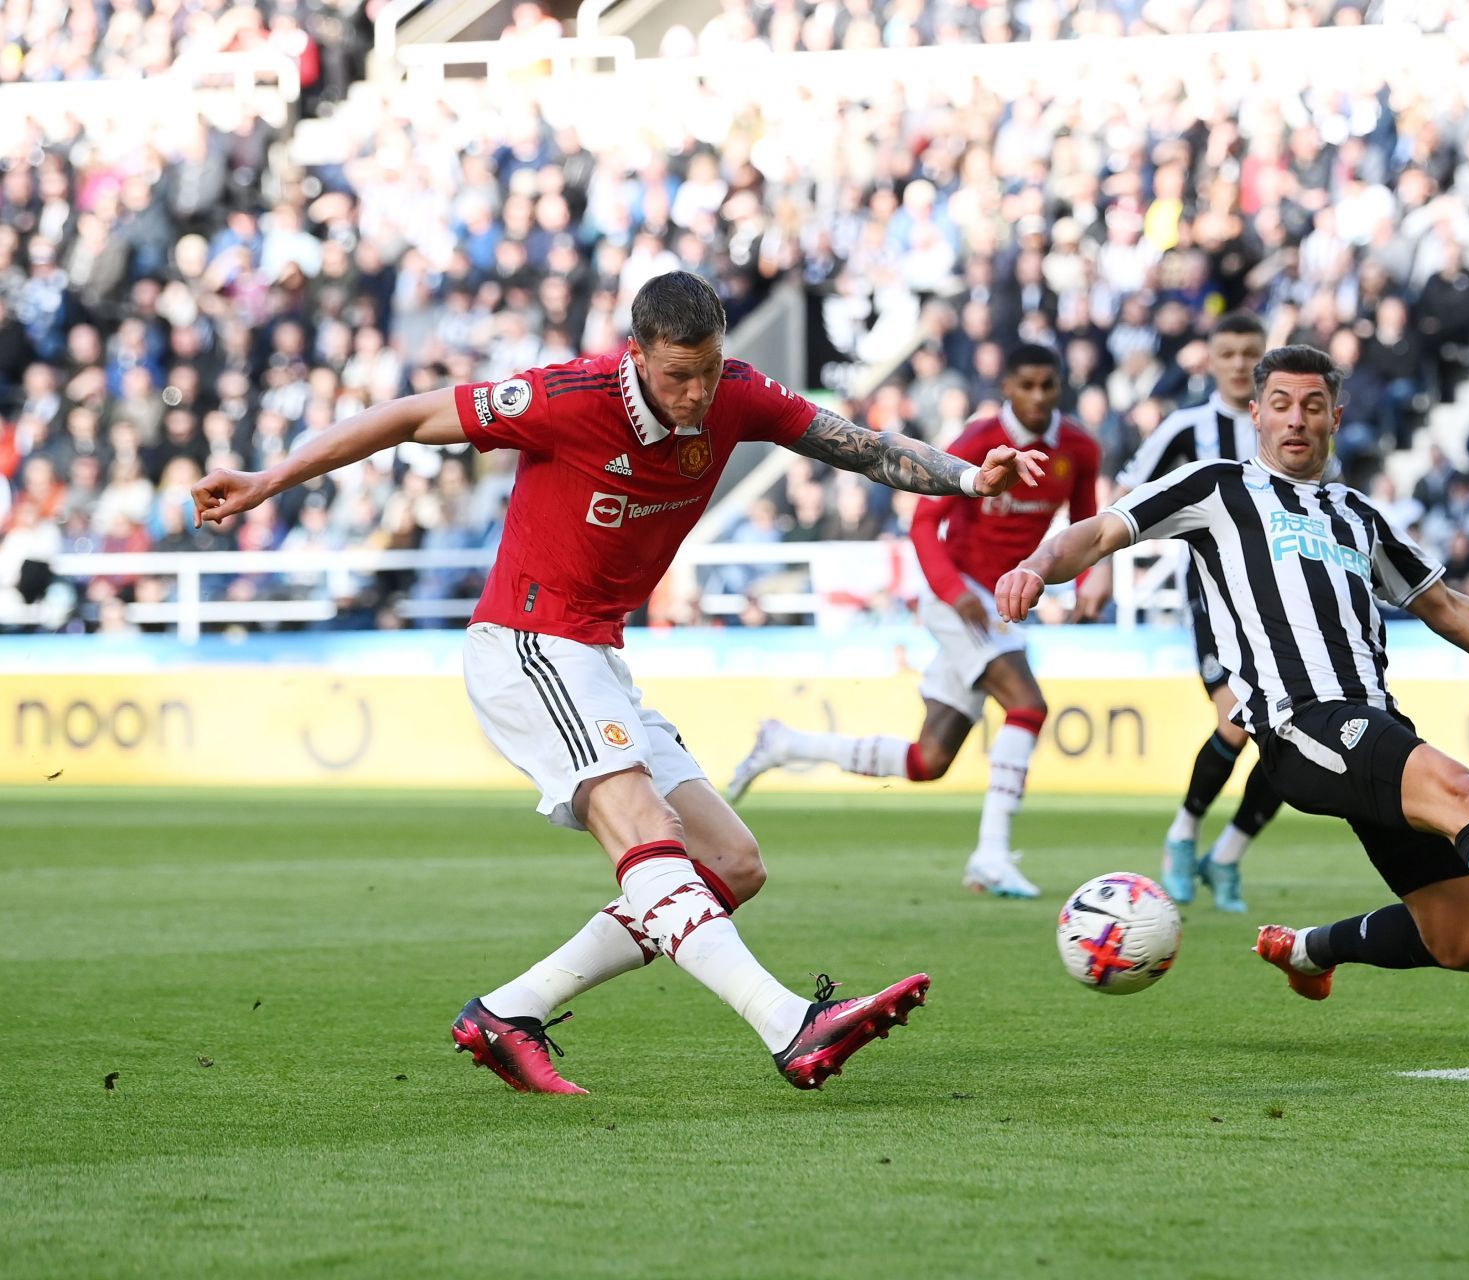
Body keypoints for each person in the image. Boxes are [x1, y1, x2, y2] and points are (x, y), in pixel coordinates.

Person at [190, 272, 1046, 1094]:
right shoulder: (567, 398)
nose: (698, 394)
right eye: (679, 376)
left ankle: (508, 1012)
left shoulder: (734, 391)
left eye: (709, 371)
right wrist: (270, 481)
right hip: (526, 642)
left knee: (731, 862)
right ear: (637, 354)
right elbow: (414, 416)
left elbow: (853, 444)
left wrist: (970, 478)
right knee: (645, 830)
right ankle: (791, 1025)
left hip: (595, 655)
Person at [996, 344, 1469, 1004]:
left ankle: (1306, 950)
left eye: (1312, 406)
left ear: (1335, 418)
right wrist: (1034, 564)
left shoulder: (1358, 516)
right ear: (1255, 414)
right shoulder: (1215, 488)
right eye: (1280, 405)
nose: (1295, 419)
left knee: (1465, 941)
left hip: (1371, 722)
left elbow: (1448, 606)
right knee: (1461, 791)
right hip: (1301, 724)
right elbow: (1098, 531)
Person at [727, 344, 1103, 898]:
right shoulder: (978, 444)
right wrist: (955, 593)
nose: (1039, 396)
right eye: (1028, 384)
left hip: (998, 601)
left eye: (1049, 385)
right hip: (958, 596)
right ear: (1008, 388)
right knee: (1028, 705)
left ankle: (787, 745)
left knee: (929, 760)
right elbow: (925, 524)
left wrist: (1091, 579)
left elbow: (1089, 523)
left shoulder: (1078, 448)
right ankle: (992, 855)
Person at [1093, 310, 1283, 913]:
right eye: (1226, 353)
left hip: (1286, 614)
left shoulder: (1285, 425)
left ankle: (1225, 854)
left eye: (1248, 353)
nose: (1237, 364)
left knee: (1288, 740)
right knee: (1243, 722)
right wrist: (1098, 565)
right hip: (1216, 605)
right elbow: (1125, 495)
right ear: (1209, 357)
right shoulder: (1186, 427)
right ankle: (1182, 838)